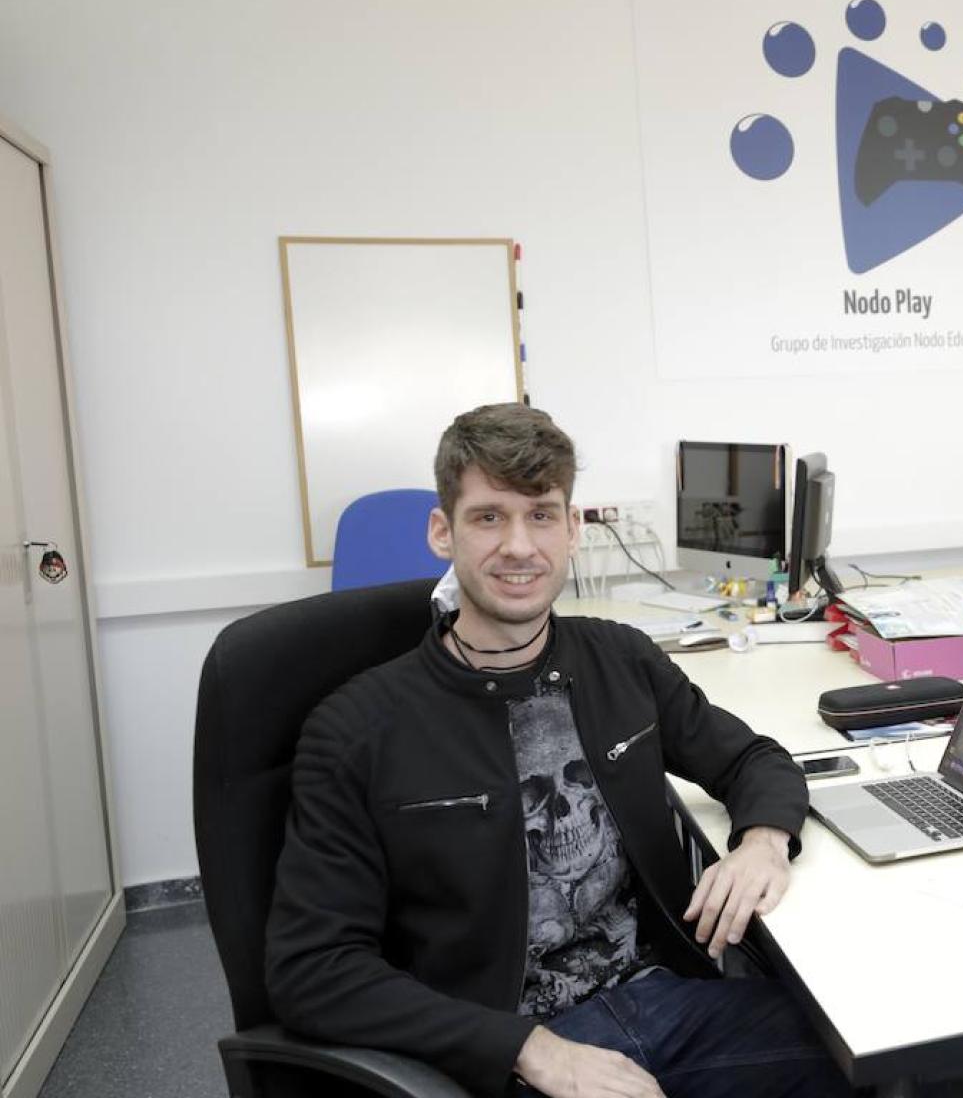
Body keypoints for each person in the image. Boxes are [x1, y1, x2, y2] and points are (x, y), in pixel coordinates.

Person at [266, 403, 850, 1098]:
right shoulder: (357, 729)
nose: (519, 546)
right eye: (489, 517)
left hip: (664, 1001)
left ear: (572, 530)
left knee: (871, 1054)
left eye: (541, 514)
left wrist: (762, 841)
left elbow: (754, 759)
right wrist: (527, 1048)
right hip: (499, 1053)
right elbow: (313, 968)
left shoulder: (620, 659)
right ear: (441, 532)